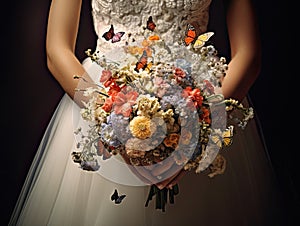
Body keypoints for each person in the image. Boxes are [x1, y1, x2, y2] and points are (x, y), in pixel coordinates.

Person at [9, 0, 283, 225]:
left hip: (201, 102)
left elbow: (249, 55)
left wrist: (195, 133)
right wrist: (115, 124)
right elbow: (56, 49)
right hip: (104, 98)